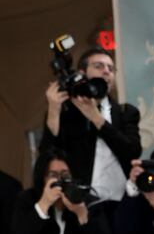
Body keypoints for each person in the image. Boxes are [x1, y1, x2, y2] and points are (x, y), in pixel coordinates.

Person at [41, 47, 141, 205]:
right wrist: (53, 110)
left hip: (123, 202)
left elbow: (132, 152)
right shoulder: (66, 111)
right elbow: (48, 154)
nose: (106, 71)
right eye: (98, 66)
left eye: (111, 69)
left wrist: (96, 118)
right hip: (81, 203)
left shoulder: (126, 112)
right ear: (82, 73)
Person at [12, 147, 111, 234]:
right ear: (42, 177)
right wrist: (43, 205)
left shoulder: (89, 202)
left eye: (65, 175)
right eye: (52, 175)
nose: (60, 181)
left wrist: (82, 214)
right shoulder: (28, 199)